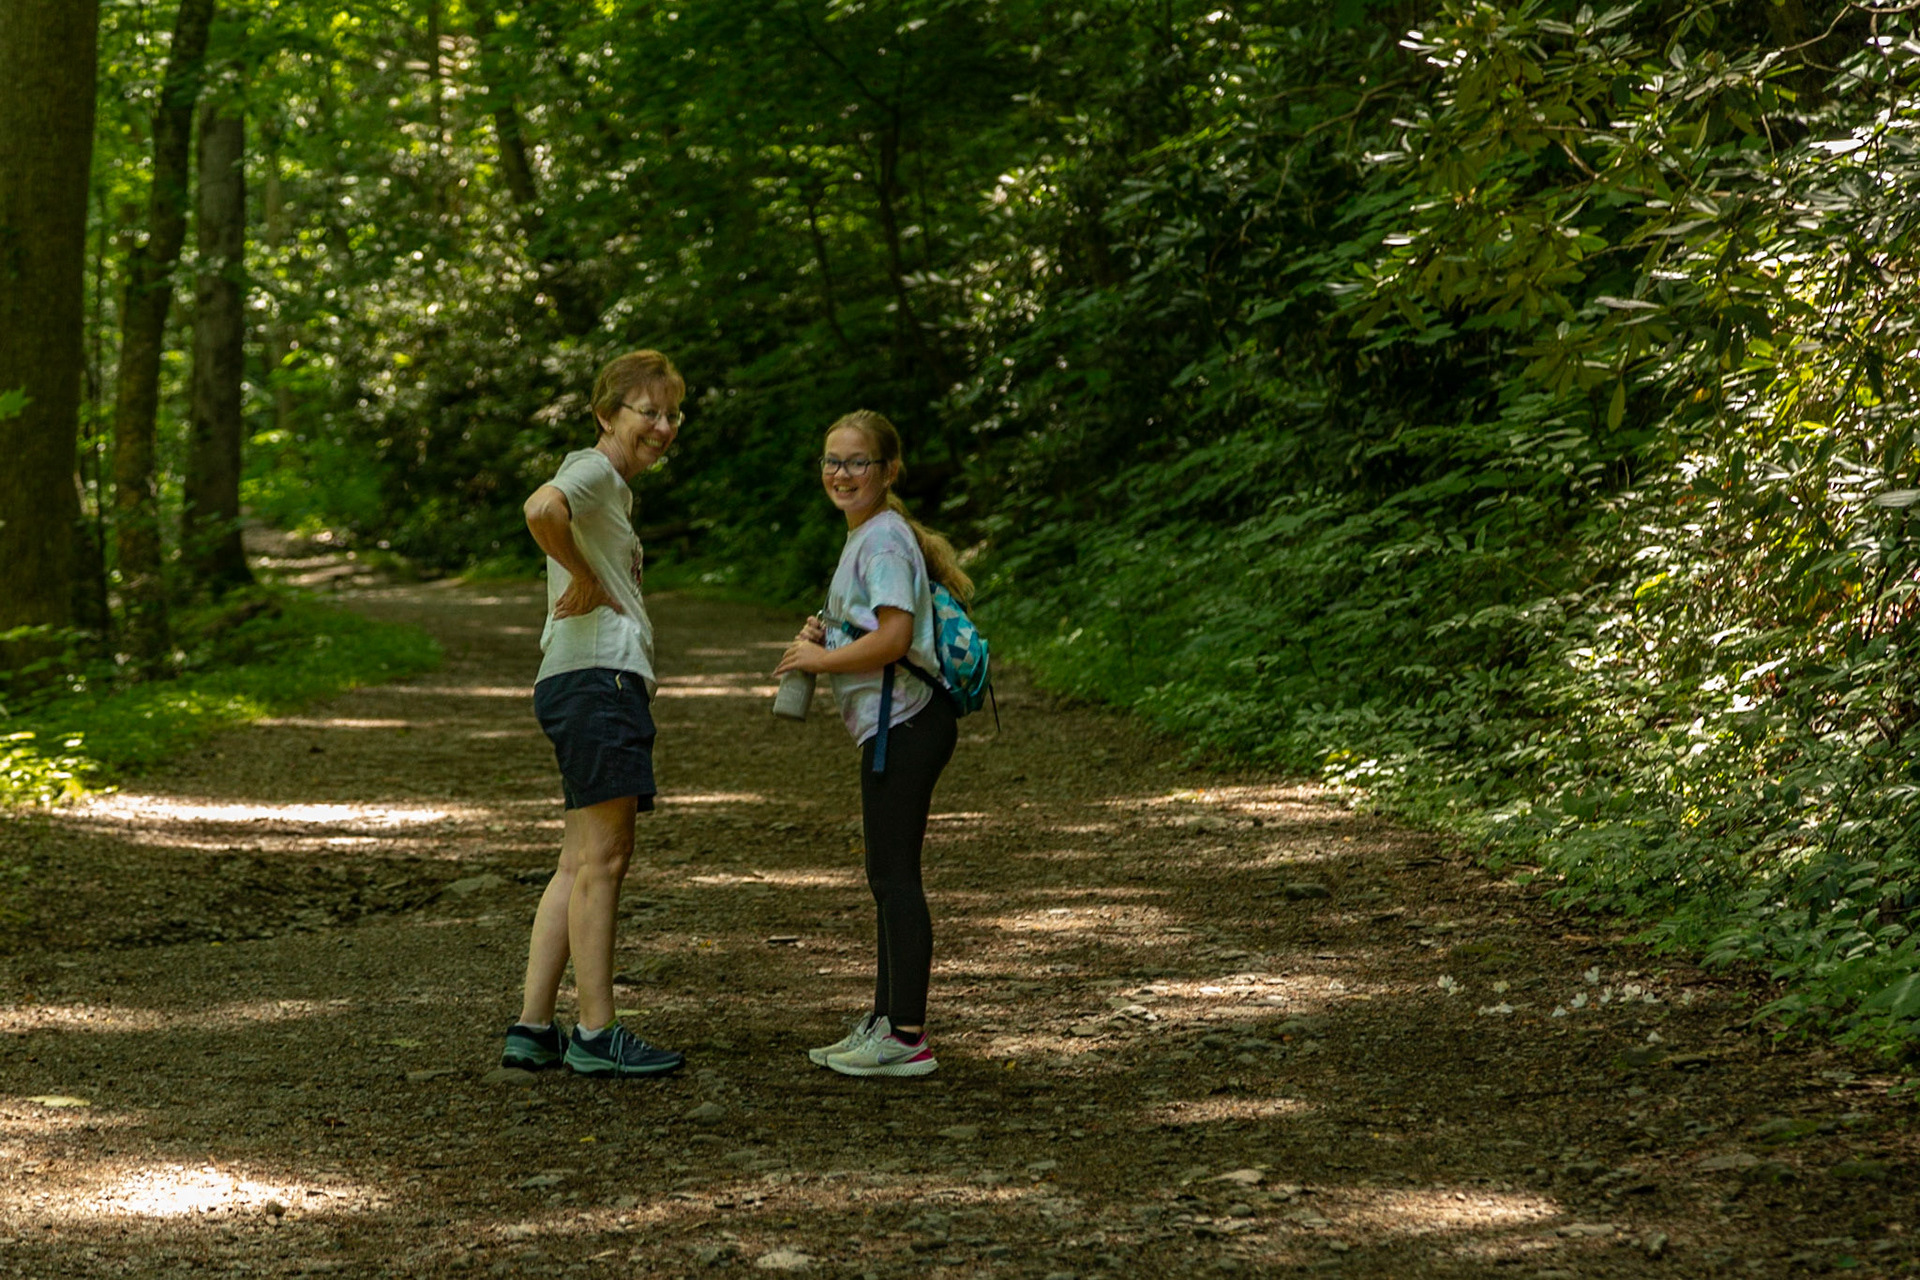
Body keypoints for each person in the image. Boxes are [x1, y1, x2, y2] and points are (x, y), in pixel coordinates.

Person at [500, 350, 687, 1078]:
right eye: (648, 412)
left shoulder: (612, 487)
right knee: (605, 861)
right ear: (607, 416)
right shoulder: (595, 470)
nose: (663, 427)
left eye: (672, 414)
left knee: (577, 860)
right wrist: (583, 578)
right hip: (598, 682)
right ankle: (597, 1031)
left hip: (574, 679)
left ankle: (533, 1026)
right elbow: (540, 507)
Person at [774, 410, 969, 1078]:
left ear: (889, 470)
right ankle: (886, 1021)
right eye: (832, 460)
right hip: (898, 724)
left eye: (858, 461)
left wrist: (814, 663)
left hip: (908, 722)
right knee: (885, 877)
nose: (841, 473)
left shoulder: (883, 541)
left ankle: (907, 1037)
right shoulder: (870, 535)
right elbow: (872, 626)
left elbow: (892, 639)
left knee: (895, 877)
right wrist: (829, 634)